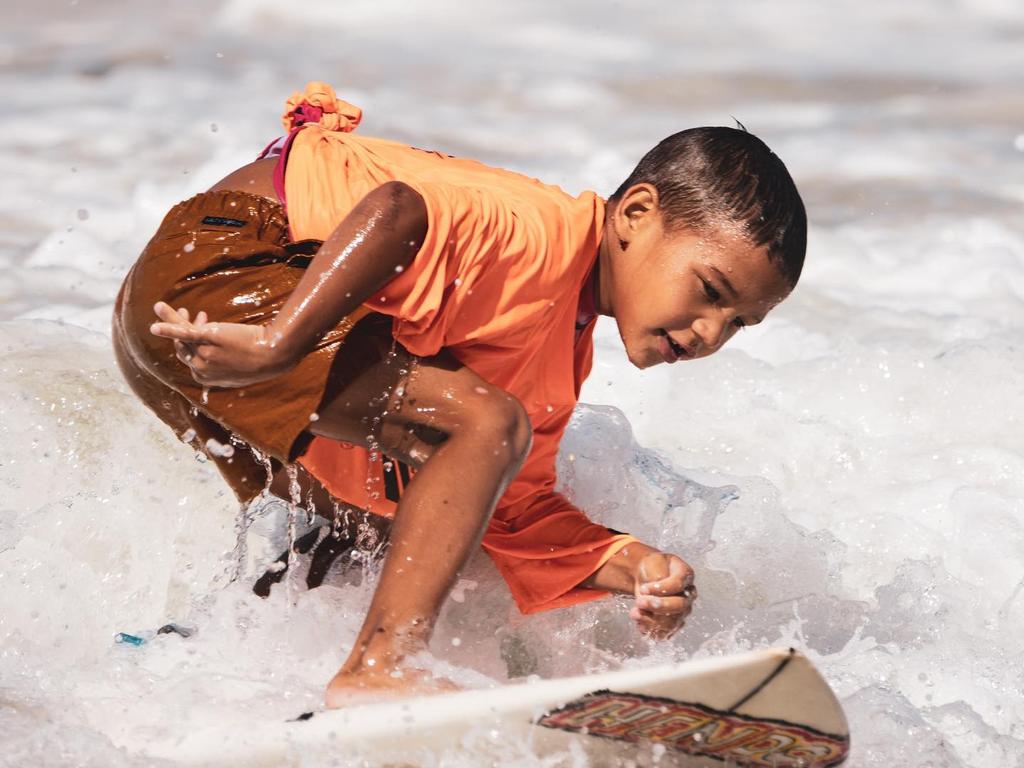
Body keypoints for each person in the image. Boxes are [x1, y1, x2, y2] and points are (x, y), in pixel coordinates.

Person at [114, 81, 804, 707]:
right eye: (711, 291)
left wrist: (632, 565)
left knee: (378, 528)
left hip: (173, 317)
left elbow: (512, 511)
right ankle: (381, 664)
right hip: (223, 274)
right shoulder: (537, 235)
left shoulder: (558, 343)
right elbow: (395, 210)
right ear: (638, 213)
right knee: (488, 425)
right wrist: (280, 343)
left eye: (740, 322)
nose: (713, 330)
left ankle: (207, 654)